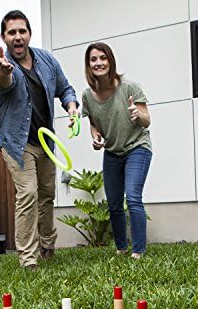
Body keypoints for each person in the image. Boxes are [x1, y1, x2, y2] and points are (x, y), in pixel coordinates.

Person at [0, 10, 79, 270]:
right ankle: (28, 259)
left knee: (47, 194)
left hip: (45, 143)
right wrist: (4, 71)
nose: (17, 37)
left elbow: (65, 89)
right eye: (12, 33)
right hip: (17, 144)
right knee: (28, 193)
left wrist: (72, 107)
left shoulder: (46, 60)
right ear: (4, 37)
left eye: (22, 31)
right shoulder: (0, 66)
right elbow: (3, 81)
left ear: (29, 34)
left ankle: (47, 246)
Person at [81, 42, 152, 259]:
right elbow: (94, 124)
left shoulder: (129, 87)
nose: (98, 63)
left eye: (103, 58)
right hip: (112, 151)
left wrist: (137, 114)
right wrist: (95, 136)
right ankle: (121, 248)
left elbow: (147, 120)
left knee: (133, 197)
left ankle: (138, 251)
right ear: (88, 65)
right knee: (113, 204)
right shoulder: (87, 96)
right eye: (93, 59)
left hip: (137, 146)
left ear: (110, 61)